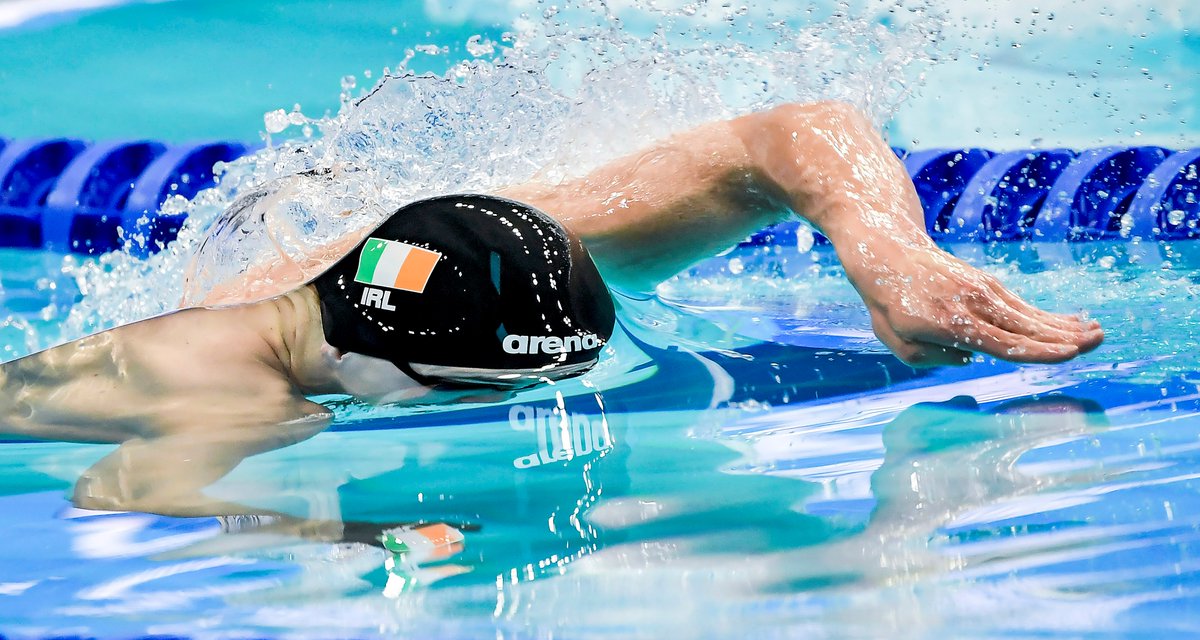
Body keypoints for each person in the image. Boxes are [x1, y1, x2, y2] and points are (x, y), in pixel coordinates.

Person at [0, 100, 1102, 526]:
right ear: (391, 371)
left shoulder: (461, 244)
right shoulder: (249, 405)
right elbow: (116, 493)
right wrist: (342, 532)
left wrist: (886, 246)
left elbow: (789, 131)